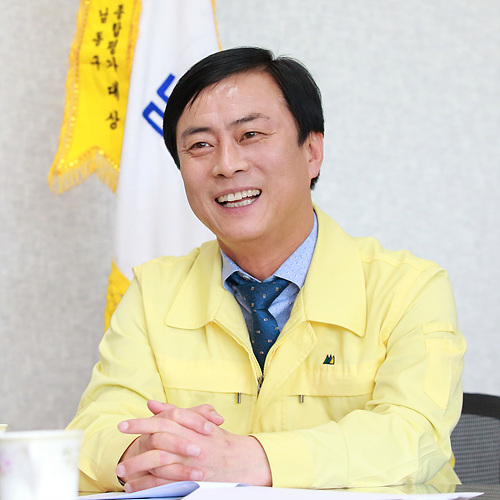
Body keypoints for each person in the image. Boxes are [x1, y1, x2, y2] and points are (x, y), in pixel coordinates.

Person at [67, 47, 466, 493]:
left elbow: (414, 436)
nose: (227, 165)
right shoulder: (154, 291)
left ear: (311, 151)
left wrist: (253, 460)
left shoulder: (409, 288)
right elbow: (94, 430)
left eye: (251, 134)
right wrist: (137, 454)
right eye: (200, 145)